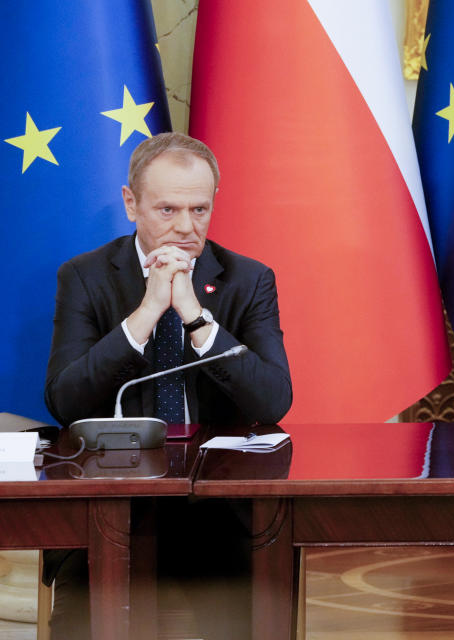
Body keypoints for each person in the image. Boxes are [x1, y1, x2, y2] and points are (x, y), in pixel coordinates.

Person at [43, 132, 292, 640]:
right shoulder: (86, 277)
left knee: (254, 618)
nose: (185, 228)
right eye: (167, 210)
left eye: (200, 210)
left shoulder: (247, 280)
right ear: (131, 203)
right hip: (111, 503)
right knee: (82, 624)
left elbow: (273, 400)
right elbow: (65, 401)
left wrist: (196, 319)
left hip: (218, 508)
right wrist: (147, 313)